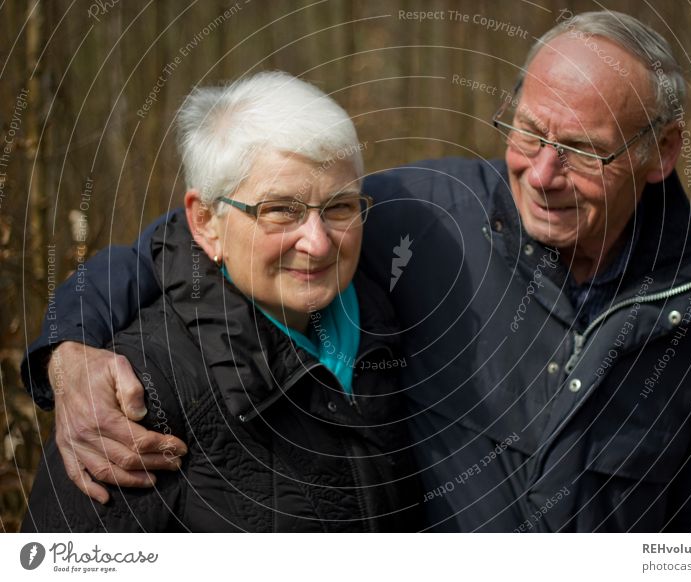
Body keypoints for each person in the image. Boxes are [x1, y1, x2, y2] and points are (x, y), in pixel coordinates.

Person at [21, 11, 691, 532]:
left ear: (660, 152)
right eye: (528, 132)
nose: (541, 173)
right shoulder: (424, 216)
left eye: (581, 149)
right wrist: (69, 348)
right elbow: (203, 239)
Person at [21, 71, 421, 532]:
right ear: (206, 222)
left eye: (340, 207)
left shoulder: (386, 329)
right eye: (280, 210)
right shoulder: (133, 394)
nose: (319, 242)